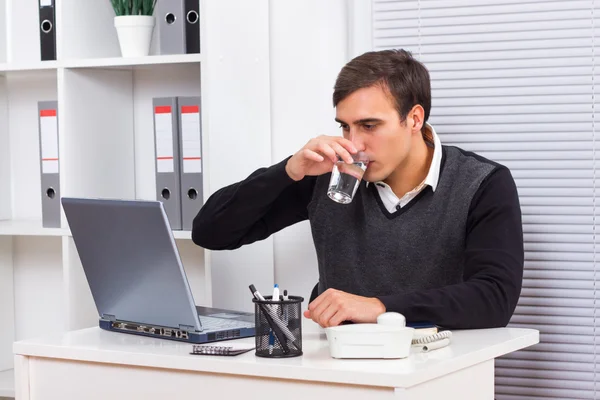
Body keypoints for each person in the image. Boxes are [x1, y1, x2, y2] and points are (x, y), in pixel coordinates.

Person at [191, 49, 524, 330]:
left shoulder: (482, 183)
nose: (354, 144)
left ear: (414, 119)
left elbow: (494, 299)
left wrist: (379, 307)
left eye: (369, 125)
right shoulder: (329, 176)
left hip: (436, 370)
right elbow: (211, 232)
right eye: (345, 126)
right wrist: (289, 171)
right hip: (338, 369)